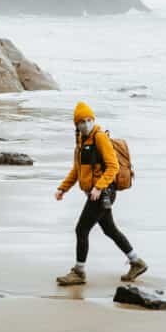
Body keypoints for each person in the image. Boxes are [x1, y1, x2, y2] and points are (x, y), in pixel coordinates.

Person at [54, 100, 147, 286]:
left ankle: (79, 272)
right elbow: (77, 170)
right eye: (82, 121)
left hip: (103, 193)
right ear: (76, 124)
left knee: (81, 229)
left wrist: (98, 187)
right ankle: (136, 262)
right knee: (110, 229)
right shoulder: (81, 142)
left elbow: (112, 167)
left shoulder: (100, 138)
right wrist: (63, 188)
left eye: (89, 119)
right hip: (95, 193)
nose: (86, 123)